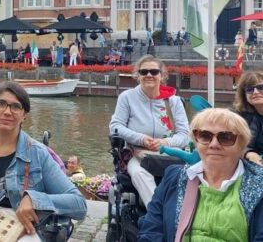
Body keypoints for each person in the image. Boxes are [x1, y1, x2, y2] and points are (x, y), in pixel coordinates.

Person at [0, 82, 87, 240]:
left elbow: (79, 204)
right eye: (1, 103)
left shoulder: (38, 153)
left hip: (21, 227)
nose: (7, 112)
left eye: (16, 106)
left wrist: (34, 199)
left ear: (24, 115)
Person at [138, 108, 263, 241]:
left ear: (242, 144)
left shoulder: (259, 184)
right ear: (196, 141)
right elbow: (151, 231)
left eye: (226, 137)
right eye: (205, 136)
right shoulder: (174, 178)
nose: (214, 144)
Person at [109, 55, 190, 207]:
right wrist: (140, 139)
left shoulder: (174, 101)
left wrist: (165, 142)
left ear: (162, 75)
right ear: (138, 75)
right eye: (144, 72)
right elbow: (115, 126)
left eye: (154, 72)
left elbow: (185, 135)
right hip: (139, 153)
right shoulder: (127, 97)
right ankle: (157, 214)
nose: (149, 75)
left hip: (170, 154)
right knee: (139, 173)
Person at [233, 71, 263, 166]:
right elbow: (235, 144)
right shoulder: (240, 117)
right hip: (252, 166)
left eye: (260, 87)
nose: (255, 92)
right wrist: (248, 153)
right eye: (249, 89)